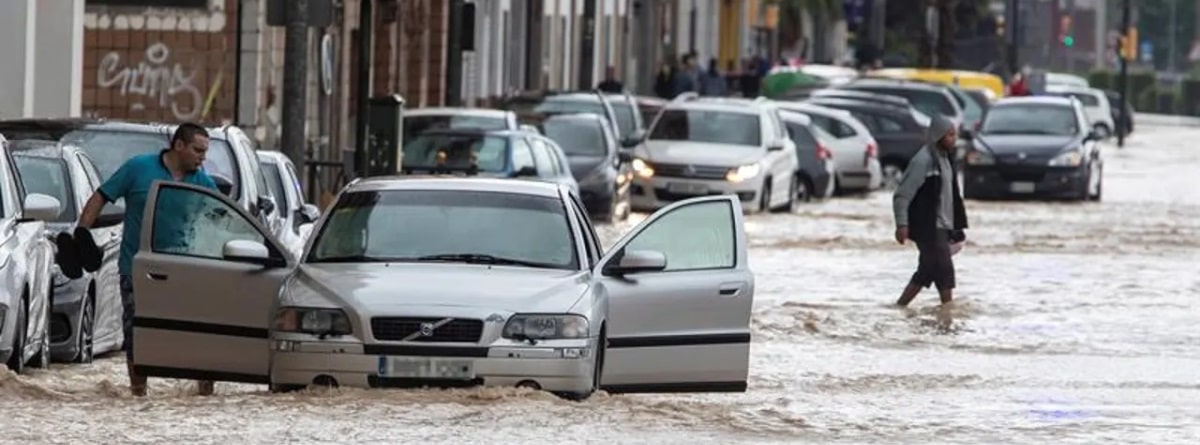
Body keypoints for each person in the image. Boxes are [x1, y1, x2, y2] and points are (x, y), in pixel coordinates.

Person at [75, 122, 219, 397]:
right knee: (136, 333)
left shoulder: (203, 183)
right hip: (137, 269)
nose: (203, 157)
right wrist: (81, 233)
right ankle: (138, 394)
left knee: (198, 334)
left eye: (205, 151)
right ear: (179, 145)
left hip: (186, 271)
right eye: (198, 150)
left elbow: (221, 221)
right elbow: (100, 197)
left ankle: (204, 397)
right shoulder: (138, 168)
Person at [891, 115, 968, 307]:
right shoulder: (922, 161)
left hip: (943, 226)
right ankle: (947, 318)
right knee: (945, 270)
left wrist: (956, 226)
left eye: (954, 134)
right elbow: (902, 195)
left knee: (927, 270)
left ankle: (900, 308)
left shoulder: (946, 160)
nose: (954, 139)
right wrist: (902, 224)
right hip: (928, 227)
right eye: (950, 135)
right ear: (939, 136)